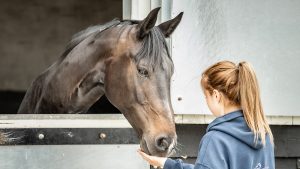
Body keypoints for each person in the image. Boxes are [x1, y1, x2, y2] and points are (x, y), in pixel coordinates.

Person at [138, 61, 275, 169]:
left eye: (206, 96)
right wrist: (166, 163)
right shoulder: (263, 135)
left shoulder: (216, 140)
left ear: (216, 95)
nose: (206, 101)